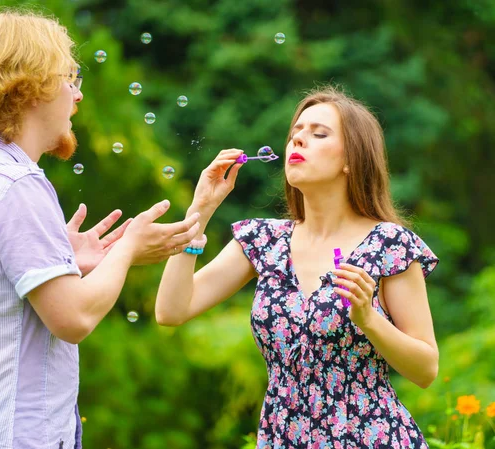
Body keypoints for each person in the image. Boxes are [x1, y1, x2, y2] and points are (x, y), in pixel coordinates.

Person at [0, 8, 200, 449]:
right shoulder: (19, 185)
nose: (77, 96)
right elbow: (74, 319)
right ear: (31, 87)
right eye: (70, 78)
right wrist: (128, 249)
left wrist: (60, 263)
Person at [155, 86, 439, 448]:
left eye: (318, 134)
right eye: (294, 134)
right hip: (283, 437)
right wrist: (199, 211)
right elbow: (171, 310)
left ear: (351, 159)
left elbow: (426, 369)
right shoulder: (263, 242)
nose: (298, 141)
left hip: (370, 436)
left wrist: (369, 319)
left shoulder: (388, 245)